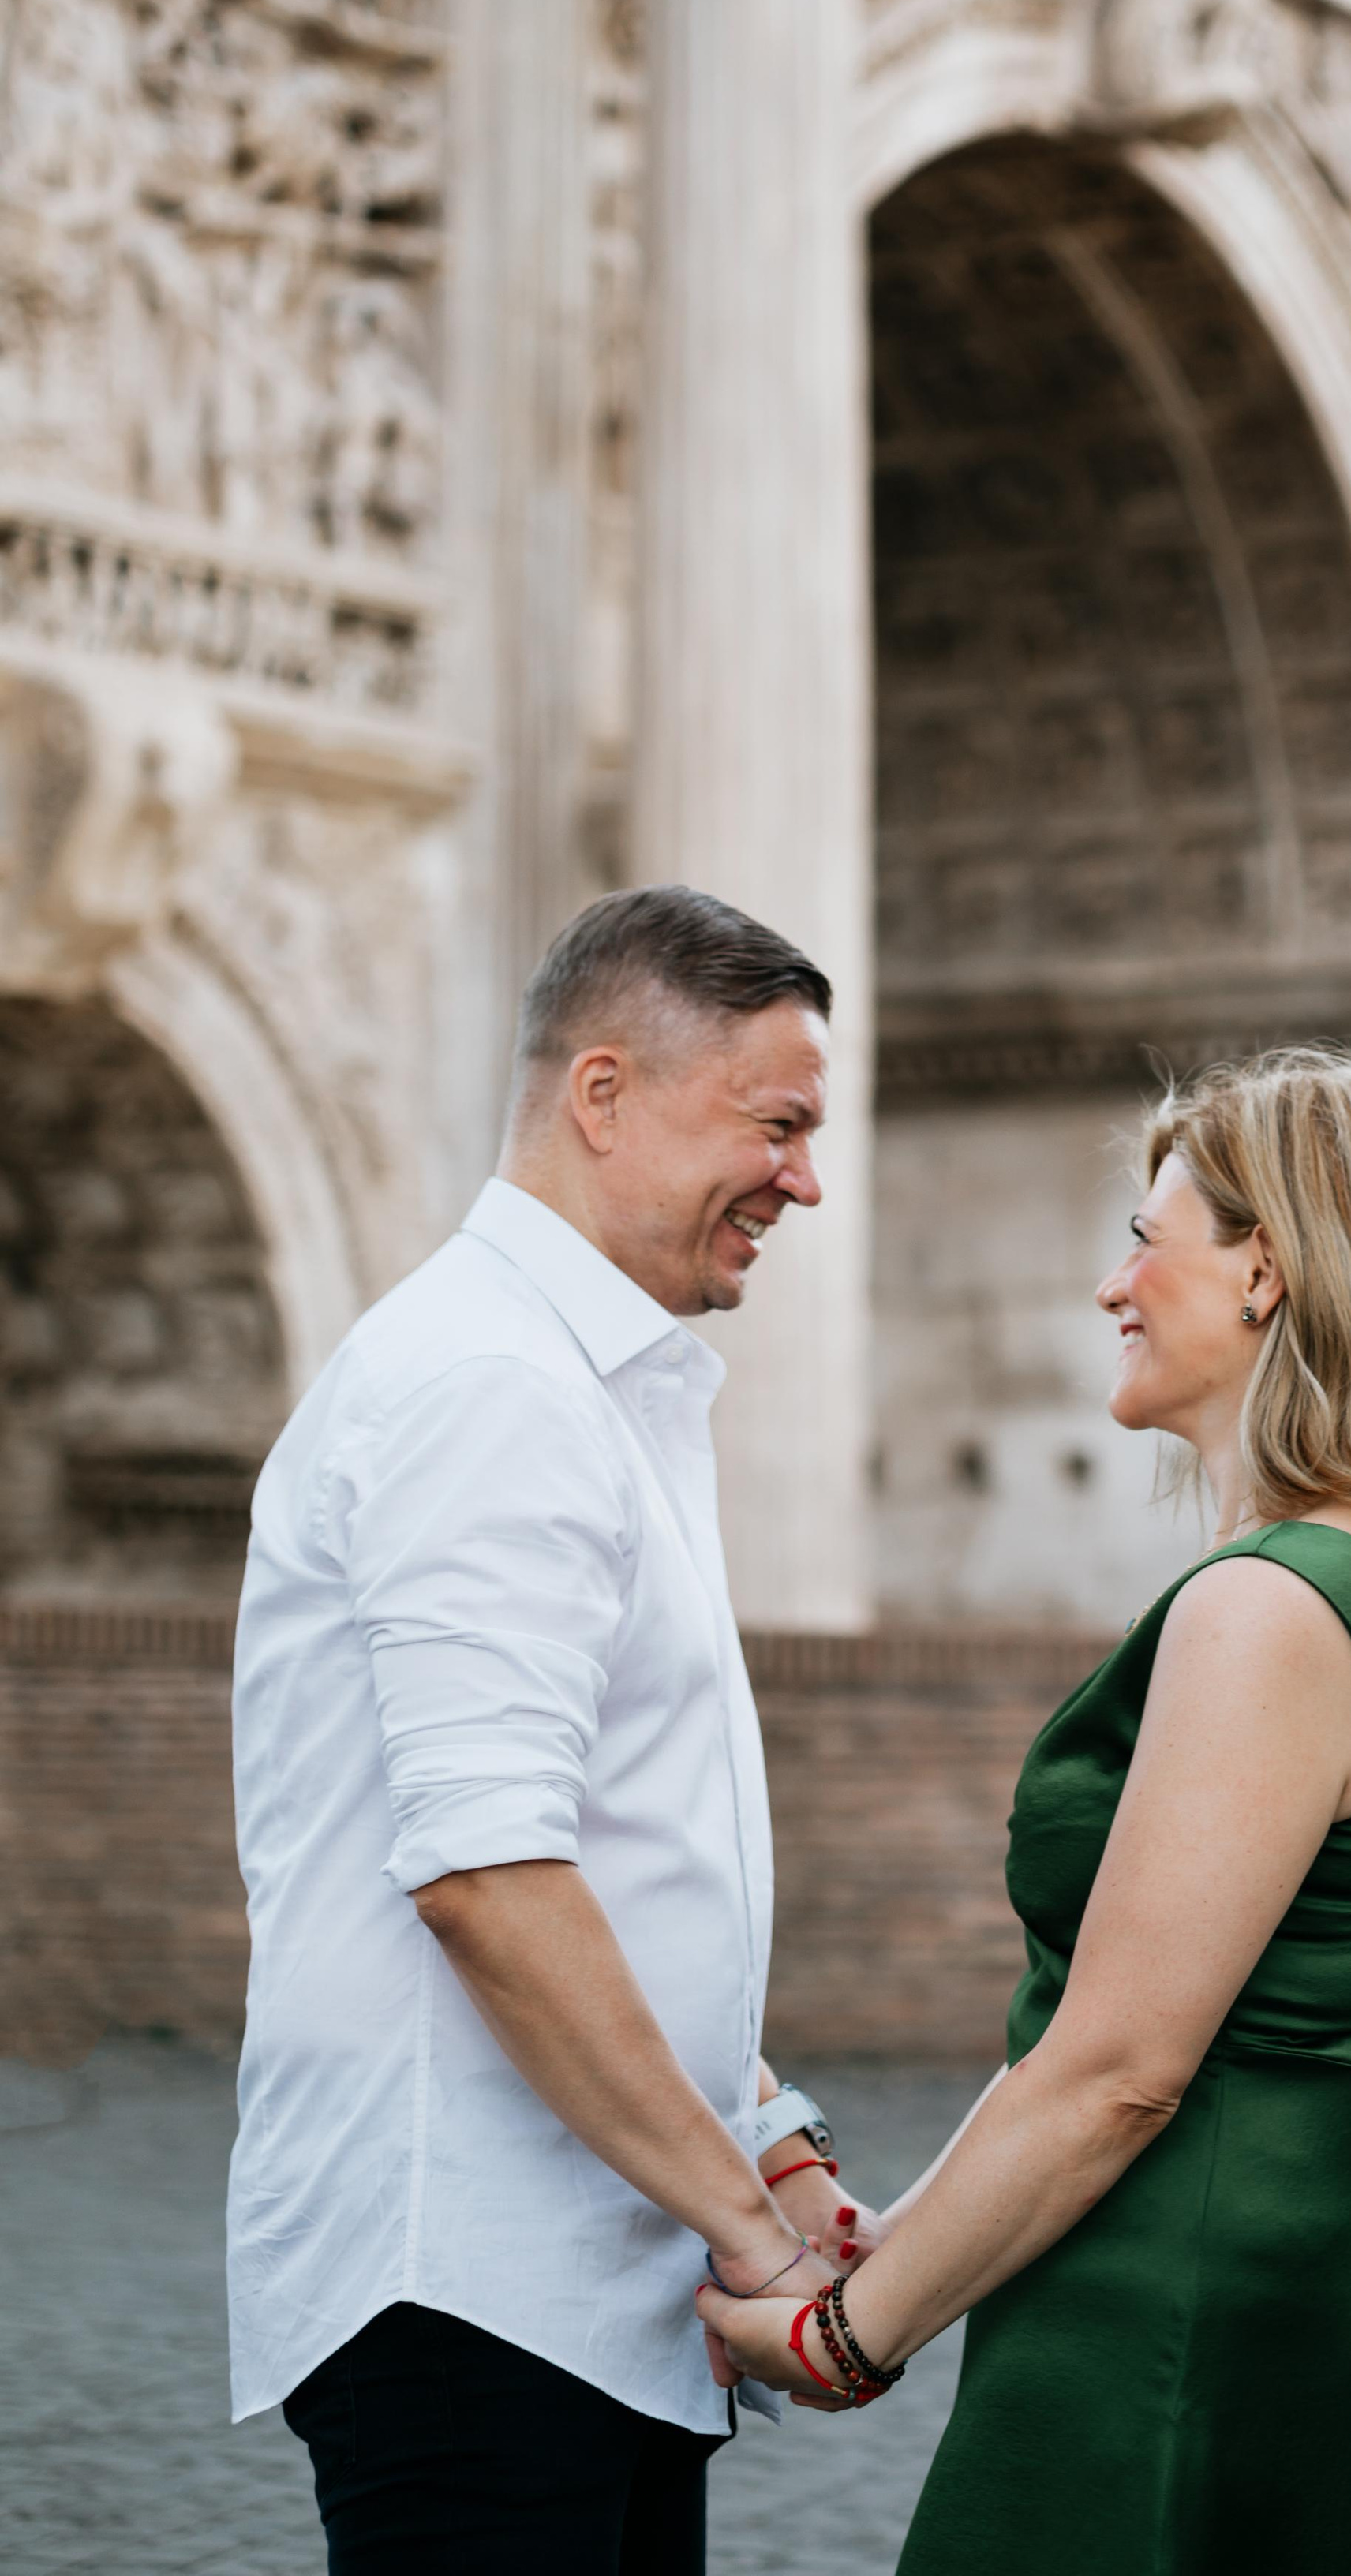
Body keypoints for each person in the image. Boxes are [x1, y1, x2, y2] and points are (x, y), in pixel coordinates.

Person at [700, 1045, 1351, 2572]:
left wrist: (846, 2335)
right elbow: (1100, 2036)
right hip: (1269, 2266)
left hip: (1157, 2298)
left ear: (1262, 1274)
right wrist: (918, 2230)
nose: (1109, 1286)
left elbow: (1115, 2071)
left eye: (1146, 1241)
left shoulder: (1268, 1610)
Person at [229, 885, 885, 2576]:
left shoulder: (575, 1382)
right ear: (604, 1095)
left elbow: (611, 1854)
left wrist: (770, 2143)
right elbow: (489, 1881)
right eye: (777, 1125)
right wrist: (750, 2238)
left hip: (590, 2283)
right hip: (473, 2292)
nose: (803, 1179)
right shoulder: (487, 1389)